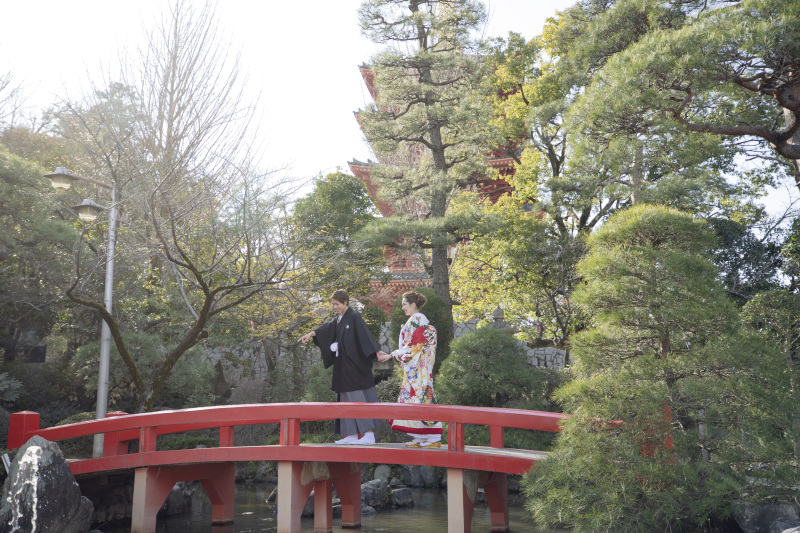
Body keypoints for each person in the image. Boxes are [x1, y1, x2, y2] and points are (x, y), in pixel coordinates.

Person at [299, 290, 382, 445]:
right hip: (343, 367)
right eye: (333, 304)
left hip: (355, 368)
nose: (334, 307)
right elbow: (326, 329)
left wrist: (376, 352)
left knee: (359, 400)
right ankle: (350, 434)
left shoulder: (355, 317)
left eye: (336, 304)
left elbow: (365, 338)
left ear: (345, 302)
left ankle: (369, 434)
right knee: (345, 400)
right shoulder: (339, 319)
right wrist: (310, 334)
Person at [376, 291, 443, 448]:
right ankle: (419, 435)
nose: (403, 308)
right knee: (414, 399)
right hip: (415, 368)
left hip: (419, 368)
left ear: (413, 305)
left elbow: (413, 346)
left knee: (424, 398)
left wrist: (392, 355)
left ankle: (434, 436)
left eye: (404, 305)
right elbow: (412, 345)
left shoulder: (418, 320)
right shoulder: (416, 321)